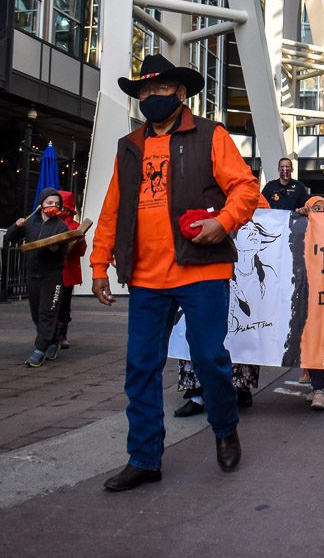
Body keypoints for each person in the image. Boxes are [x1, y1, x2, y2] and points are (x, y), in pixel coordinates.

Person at [91, 54, 261, 492]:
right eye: (145, 91)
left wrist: (223, 222)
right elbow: (112, 208)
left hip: (202, 269)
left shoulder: (210, 134)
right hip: (146, 278)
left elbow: (245, 188)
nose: (152, 97)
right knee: (140, 368)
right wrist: (99, 263)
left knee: (209, 358)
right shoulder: (129, 145)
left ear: (181, 93)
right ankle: (144, 458)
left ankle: (224, 426)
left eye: (161, 89)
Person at [6, 189, 69, 367]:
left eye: (57, 204)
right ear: (41, 204)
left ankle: (39, 349)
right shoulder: (30, 222)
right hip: (32, 274)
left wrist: (55, 249)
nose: (53, 206)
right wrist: (17, 225)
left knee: (47, 312)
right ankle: (53, 340)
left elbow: (64, 252)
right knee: (36, 314)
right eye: (49, 203)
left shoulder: (61, 227)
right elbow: (10, 237)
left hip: (52, 275)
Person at [299, 195, 324, 410]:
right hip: (305, 294)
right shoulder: (302, 227)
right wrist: (299, 217)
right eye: (315, 208)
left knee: (321, 340)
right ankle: (317, 385)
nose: (320, 211)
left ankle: (319, 389)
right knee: (308, 339)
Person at [56, 190, 86, 349]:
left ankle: (61, 334)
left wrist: (79, 242)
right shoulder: (51, 223)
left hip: (66, 273)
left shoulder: (75, 227)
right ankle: (51, 333)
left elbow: (81, 251)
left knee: (64, 303)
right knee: (52, 303)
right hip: (52, 272)